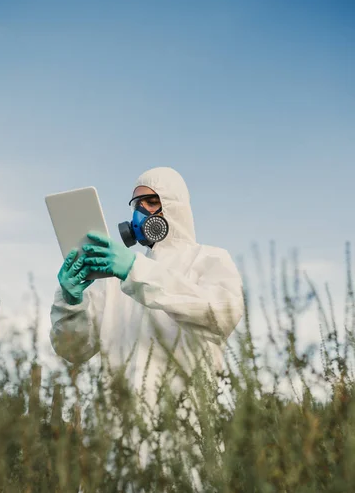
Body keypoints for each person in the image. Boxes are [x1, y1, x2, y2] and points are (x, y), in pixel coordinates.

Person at [50, 167, 244, 415]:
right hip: (120, 437)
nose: (140, 213)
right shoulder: (112, 281)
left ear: (176, 209)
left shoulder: (208, 260)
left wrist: (135, 269)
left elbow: (223, 312)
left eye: (151, 202)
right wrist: (70, 303)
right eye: (136, 205)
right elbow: (73, 350)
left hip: (187, 431)